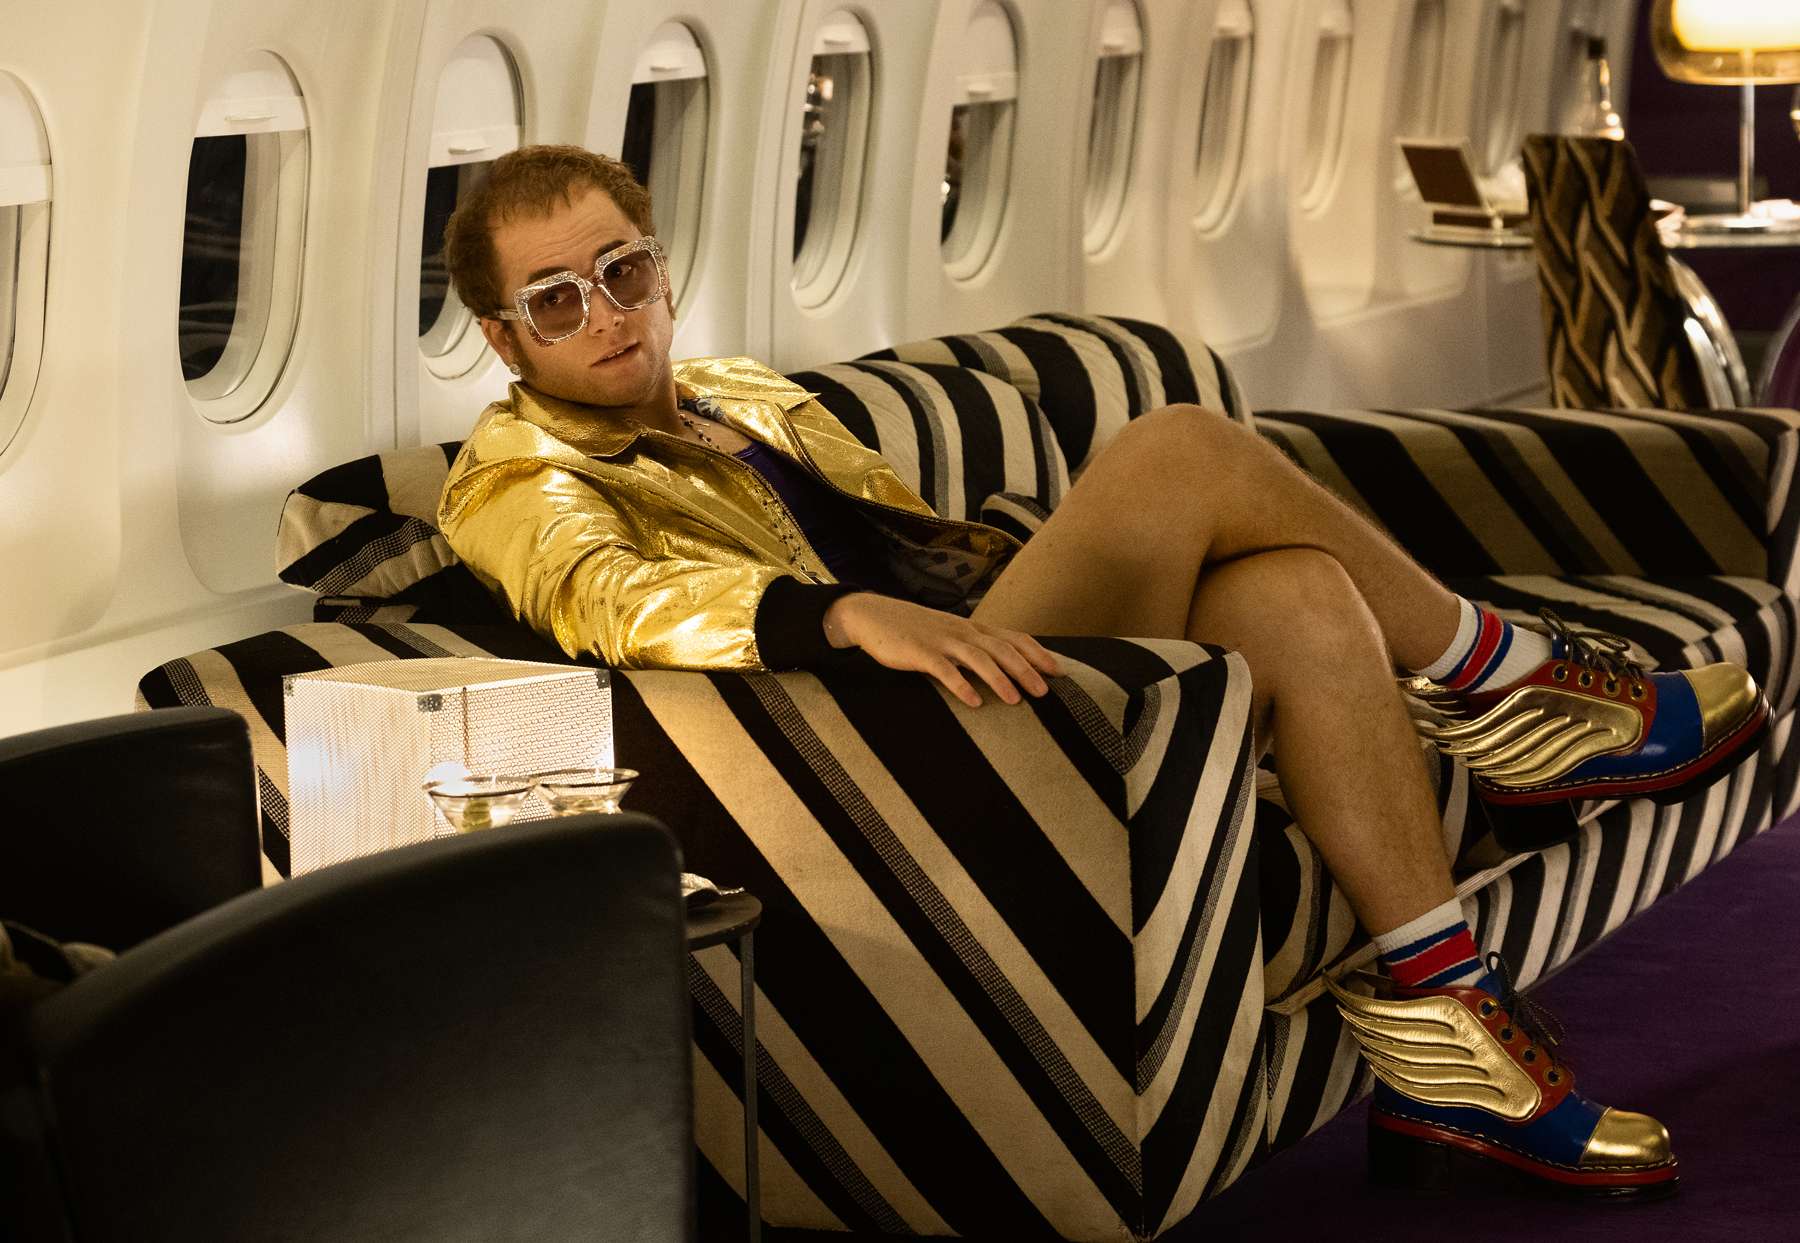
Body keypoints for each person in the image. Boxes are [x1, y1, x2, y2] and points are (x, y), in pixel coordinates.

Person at [438, 145, 1768, 1198]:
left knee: (1299, 592)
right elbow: (610, 596)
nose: (606, 314)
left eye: (623, 270)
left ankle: (1453, 1040)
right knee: (1180, 446)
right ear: (505, 339)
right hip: (887, 738)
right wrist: (836, 619)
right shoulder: (509, 474)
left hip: (983, 649)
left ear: (661, 268)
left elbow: (910, 539)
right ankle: (1517, 683)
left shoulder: (743, 394)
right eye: (557, 300)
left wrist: (947, 585)